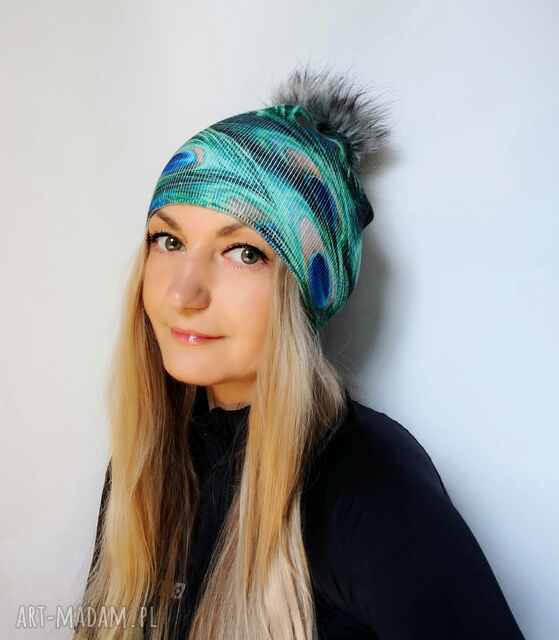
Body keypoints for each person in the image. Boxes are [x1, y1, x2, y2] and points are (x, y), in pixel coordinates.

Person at [73, 66, 526, 639]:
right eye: (170, 240)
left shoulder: (365, 483)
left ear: (307, 291)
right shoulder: (147, 463)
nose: (183, 294)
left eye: (244, 252)